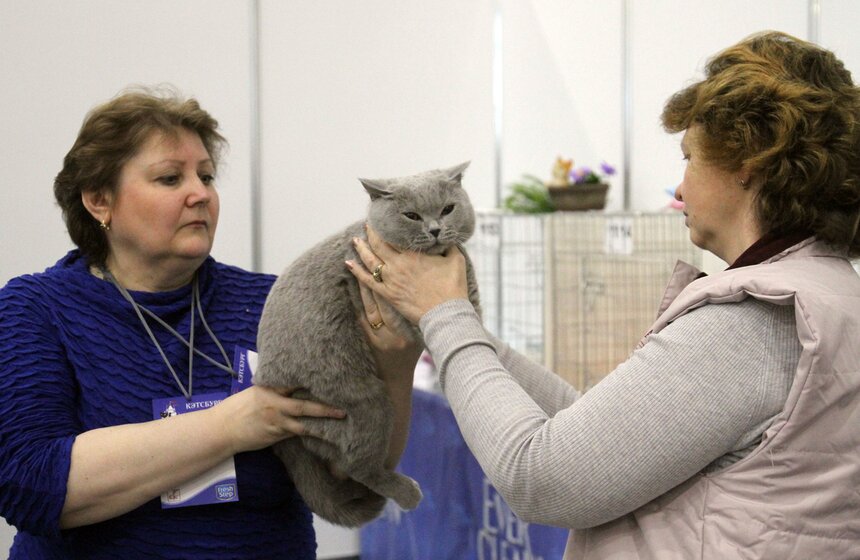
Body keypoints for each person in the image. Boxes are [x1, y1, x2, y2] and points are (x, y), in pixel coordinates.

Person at [348, 31, 860, 558]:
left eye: (689, 157)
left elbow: (541, 478)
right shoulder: (829, 295)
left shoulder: (753, 319)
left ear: (746, 162)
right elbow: (602, 438)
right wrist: (460, 330)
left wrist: (445, 316)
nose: (680, 189)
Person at [0, 88, 421, 559]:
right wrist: (232, 425)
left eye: (206, 176)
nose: (200, 194)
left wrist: (394, 368)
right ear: (100, 200)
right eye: (169, 178)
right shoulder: (36, 307)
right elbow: (29, 484)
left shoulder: (274, 302)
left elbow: (351, 481)